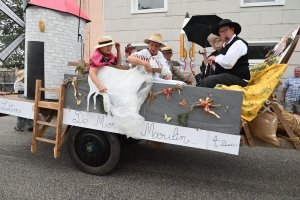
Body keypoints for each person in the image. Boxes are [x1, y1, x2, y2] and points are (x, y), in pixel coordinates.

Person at [199, 19, 250, 88]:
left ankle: (210, 98)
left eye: (225, 30)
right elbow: (221, 64)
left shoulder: (238, 43)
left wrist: (215, 58)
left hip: (239, 77)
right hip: (228, 75)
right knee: (203, 81)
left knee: (209, 81)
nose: (223, 34)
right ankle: (201, 98)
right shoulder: (225, 46)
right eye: (220, 32)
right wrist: (213, 63)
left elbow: (229, 63)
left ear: (232, 30)